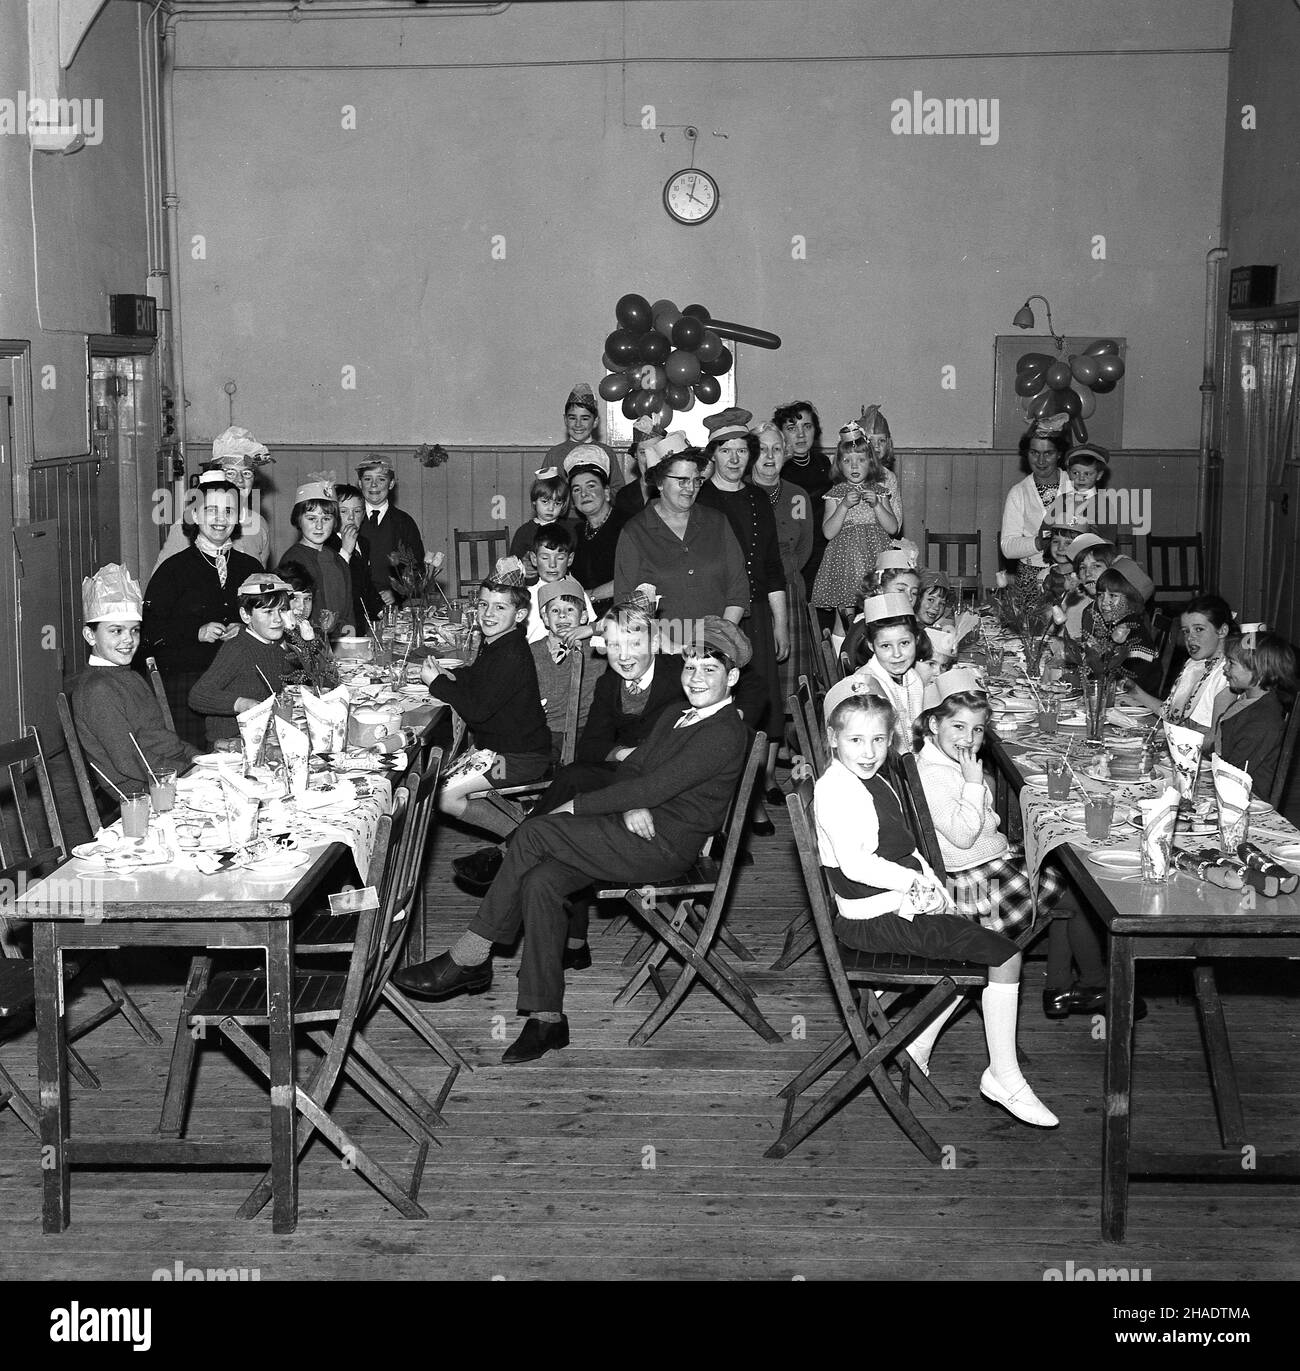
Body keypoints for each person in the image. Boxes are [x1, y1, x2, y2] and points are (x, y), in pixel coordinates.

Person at [392, 618, 751, 1065]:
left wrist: (577, 807)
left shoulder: (722, 732)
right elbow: (636, 771)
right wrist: (628, 804)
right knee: (541, 881)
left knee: (539, 829)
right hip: (634, 829)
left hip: (664, 846)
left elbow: (653, 787)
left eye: (710, 671)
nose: (696, 678)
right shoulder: (676, 714)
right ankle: (546, 1020)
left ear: (732, 677)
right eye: (691, 667)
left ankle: (470, 955)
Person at [813, 678, 1056, 1126]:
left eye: (878, 740)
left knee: (975, 939)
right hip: (874, 919)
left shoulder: (868, 778)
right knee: (1004, 954)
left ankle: (918, 1044)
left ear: (892, 738)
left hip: (895, 904)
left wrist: (937, 892)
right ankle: (1002, 1074)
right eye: (855, 740)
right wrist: (913, 884)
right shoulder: (838, 790)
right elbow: (856, 864)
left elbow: (908, 849)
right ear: (833, 739)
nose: (868, 751)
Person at [451, 594, 681, 895]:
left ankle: (508, 851)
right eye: (614, 646)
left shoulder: (679, 675)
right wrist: (625, 753)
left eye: (634, 645)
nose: (623, 656)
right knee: (573, 778)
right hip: (622, 772)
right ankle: (569, 934)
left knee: (573, 791)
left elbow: (743, 676)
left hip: (662, 781)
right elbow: (591, 746)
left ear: (653, 644)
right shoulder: (609, 683)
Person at [910, 670, 1107, 1021]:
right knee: (1075, 893)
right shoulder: (934, 774)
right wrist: (974, 783)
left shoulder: (945, 762)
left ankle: (1063, 985)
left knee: (1066, 878)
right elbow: (963, 835)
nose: (968, 739)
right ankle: (1087, 984)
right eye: (957, 727)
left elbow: (982, 827)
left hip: (979, 866)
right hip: (969, 888)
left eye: (977, 729)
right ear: (932, 724)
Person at [696, 408, 788, 830]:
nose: (735, 459)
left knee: (757, 703)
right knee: (717, 707)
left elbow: (771, 566)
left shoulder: (757, 499)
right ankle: (718, 805)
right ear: (712, 454)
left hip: (756, 621)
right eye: (726, 450)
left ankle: (754, 798)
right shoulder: (700, 501)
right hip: (715, 617)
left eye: (741, 451)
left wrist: (780, 622)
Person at [420, 557, 552, 834]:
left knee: (442, 796)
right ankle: (524, 825)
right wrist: (449, 675)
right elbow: (479, 677)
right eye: (483, 604)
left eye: (500, 607)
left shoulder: (511, 654)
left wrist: (437, 685)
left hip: (517, 760)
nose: (488, 614)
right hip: (499, 751)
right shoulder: (498, 642)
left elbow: (477, 711)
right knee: (436, 785)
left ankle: (522, 839)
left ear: (519, 615)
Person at [141, 471, 264, 748]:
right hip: (188, 685)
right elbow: (148, 632)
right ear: (195, 516)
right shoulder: (173, 570)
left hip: (241, 681)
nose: (221, 519)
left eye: (229, 510)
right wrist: (195, 632)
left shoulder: (251, 568)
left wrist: (245, 627)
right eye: (211, 510)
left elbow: (270, 619)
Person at [68, 564, 198, 795]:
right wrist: (189, 771)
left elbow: (162, 739)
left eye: (134, 630)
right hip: (144, 790)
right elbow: (129, 760)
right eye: (116, 631)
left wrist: (195, 757)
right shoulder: (98, 689)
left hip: (169, 772)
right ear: (90, 635)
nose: (129, 639)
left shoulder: (129, 675)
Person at [613, 446, 748, 634]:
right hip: (660, 649)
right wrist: (666, 645)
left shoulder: (716, 522)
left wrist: (719, 639)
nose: (691, 488)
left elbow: (738, 587)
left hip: (715, 650)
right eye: (682, 481)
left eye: (696, 481)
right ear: (660, 483)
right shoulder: (635, 531)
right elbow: (625, 604)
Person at [749, 418, 815, 794]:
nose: (770, 455)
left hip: (789, 594)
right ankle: (755, 776)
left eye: (777, 448)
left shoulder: (797, 497)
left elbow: (803, 549)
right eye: (763, 449)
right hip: (755, 597)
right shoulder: (743, 495)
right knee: (762, 688)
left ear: (787, 453)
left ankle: (772, 774)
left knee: (787, 691)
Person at [811, 419, 903, 621]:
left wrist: (878, 505)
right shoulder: (835, 495)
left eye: (860, 460)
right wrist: (843, 506)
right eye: (847, 461)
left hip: (875, 559)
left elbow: (893, 528)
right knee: (844, 614)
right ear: (839, 464)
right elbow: (828, 532)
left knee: (877, 610)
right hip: (844, 564)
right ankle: (841, 650)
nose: (854, 466)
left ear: (871, 462)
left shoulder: (880, 491)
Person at [152, 426, 273, 575]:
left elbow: (260, 583)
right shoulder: (186, 527)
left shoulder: (259, 525)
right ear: (216, 475)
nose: (240, 480)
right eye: (230, 473)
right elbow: (161, 583)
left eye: (247, 473)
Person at [187, 573, 291, 743]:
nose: (278, 619)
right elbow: (197, 696)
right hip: (229, 742)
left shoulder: (275, 645)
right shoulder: (238, 648)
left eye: (282, 610)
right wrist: (241, 704)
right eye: (268, 612)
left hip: (262, 735)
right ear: (245, 615)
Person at [1128, 593, 1233, 739]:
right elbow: (1170, 714)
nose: (1190, 638)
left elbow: (1215, 739)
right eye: (1186, 631)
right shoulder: (1194, 665)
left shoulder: (1227, 673)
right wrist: (1133, 690)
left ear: (1222, 631)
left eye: (1199, 629)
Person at [1209, 627, 1298, 797]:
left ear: (1258, 671)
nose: (1225, 668)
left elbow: (1234, 774)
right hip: (1225, 784)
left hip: (1246, 799)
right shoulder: (1244, 701)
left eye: (1231, 663)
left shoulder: (1263, 720)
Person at [1000, 416, 1073, 606]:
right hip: (1030, 579)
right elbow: (1007, 547)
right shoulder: (1018, 492)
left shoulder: (1075, 485)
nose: (1041, 460)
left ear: (1059, 454)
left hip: (1072, 577)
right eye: (1034, 452)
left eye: (1048, 453)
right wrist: (1038, 543)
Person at [528, 576, 601, 760]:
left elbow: (644, 627)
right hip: (544, 731)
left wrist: (593, 628)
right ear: (545, 618)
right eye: (555, 610)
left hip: (584, 731)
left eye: (570, 609)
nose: (562, 615)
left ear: (583, 616)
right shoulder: (532, 652)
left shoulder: (596, 647)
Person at [277, 477, 353, 638]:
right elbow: (292, 613)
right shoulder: (294, 559)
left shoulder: (337, 559)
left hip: (339, 644)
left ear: (335, 522)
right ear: (298, 519)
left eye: (326, 519)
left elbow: (348, 609)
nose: (319, 526)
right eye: (311, 518)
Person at [772, 401, 833, 599]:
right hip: (791, 557)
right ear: (780, 433)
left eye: (807, 426)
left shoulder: (824, 464)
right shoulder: (775, 470)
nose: (800, 435)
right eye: (792, 428)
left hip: (825, 553)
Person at [1074, 557, 1161, 696]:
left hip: (1135, 704)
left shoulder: (1133, 632)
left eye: (1113, 596)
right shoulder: (1112, 626)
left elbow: (1133, 684)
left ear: (1131, 599)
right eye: (1100, 595)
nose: (1104, 603)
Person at [857, 591, 925, 752]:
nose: (897, 654)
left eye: (904, 643)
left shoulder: (913, 677)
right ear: (871, 646)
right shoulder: (866, 687)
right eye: (886, 646)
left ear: (916, 640)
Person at [565, 445, 628, 616]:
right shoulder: (576, 531)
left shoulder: (627, 525)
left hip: (622, 613)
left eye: (591, 486)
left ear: (606, 492)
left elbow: (634, 577)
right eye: (576, 489)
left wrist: (590, 596)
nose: (584, 494)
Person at [355, 455, 425, 608]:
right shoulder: (349, 519)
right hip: (356, 602)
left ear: (391, 483)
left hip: (393, 606)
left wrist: (396, 593)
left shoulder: (404, 522)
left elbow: (417, 568)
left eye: (381, 479)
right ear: (360, 483)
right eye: (367, 479)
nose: (374, 485)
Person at [541, 381, 625, 490]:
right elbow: (543, 491)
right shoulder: (554, 454)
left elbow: (618, 490)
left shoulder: (606, 452)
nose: (578, 424)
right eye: (572, 418)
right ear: (565, 420)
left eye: (585, 418)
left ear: (595, 422)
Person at [526, 524, 595, 645]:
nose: (552, 564)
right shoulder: (527, 598)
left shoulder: (577, 593)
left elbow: (594, 629)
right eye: (545, 557)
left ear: (570, 559)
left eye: (560, 558)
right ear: (534, 559)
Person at [277, 562, 341, 691]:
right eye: (294, 598)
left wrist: (311, 642)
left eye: (307, 599)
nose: (302, 607)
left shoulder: (313, 632)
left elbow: (329, 681)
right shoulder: (271, 636)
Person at [331, 483, 385, 635]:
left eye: (357, 511)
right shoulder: (327, 546)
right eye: (343, 511)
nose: (351, 517)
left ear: (364, 515)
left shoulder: (363, 543)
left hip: (365, 620)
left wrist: (382, 612)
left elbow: (366, 584)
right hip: (343, 623)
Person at [509, 467, 573, 564]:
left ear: (563, 504)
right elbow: (512, 565)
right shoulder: (524, 532)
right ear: (534, 501)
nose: (551, 508)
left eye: (557, 503)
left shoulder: (568, 530)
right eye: (545, 502)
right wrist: (523, 567)